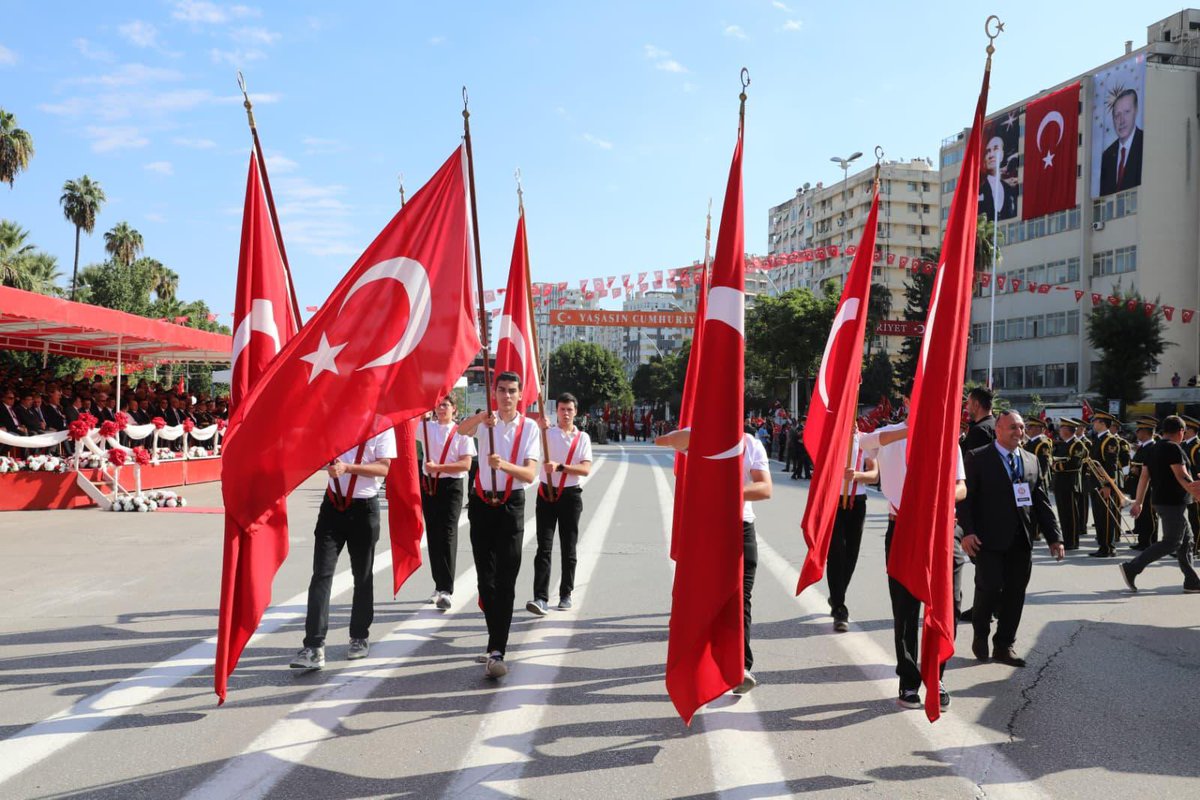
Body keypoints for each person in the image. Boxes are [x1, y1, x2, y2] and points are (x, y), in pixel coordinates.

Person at [656, 426, 772, 694]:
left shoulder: (751, 444)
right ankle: (699, 664)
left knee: (741, 597)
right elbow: (663, 441)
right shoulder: (701, 435)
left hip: (740, 527)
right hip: (706, 529)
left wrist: (730, 493)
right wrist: (700, 430)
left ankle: (740, 667)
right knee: (703, 599)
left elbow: (765, 488)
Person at [860, 417, 966, 710]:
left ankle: (937, 675)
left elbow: (961, 487)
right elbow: (861, 441)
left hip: (939, 530)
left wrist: (940, 496)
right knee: (905, 610)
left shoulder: (947, 438)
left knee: (946, 605)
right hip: (903, 528)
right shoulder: (890, 436)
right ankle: (908, 681)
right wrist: (911, 429)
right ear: (908, 401)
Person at [960, 411, 1064, 668]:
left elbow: (1040, 502)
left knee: (1015, 593)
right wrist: (968, 532)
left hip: (1021, 540)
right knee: (990, 587)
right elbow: (966, 500)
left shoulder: (1031, 460)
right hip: (987, 539)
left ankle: (1004, 645)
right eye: (1013, 428)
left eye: (1021, 427)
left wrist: (1055, 537)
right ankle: (981, 632)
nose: (1019, 432)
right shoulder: (977, 457)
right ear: (998, 429)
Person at [290, 426, 396, 671]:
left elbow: (384, 468)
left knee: (362, 575)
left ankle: (359, 636)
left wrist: (348, 468)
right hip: (332, 506)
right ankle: (314, 646)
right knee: (321, 574)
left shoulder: (382, 425)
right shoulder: (337, 418)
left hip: (364, 509)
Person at [458, 372, 541, 679]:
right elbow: (460, 431)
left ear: (520, 395)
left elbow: (530, 475)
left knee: (505, 580)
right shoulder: (485, 422)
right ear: (494, 392)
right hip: (481, 505)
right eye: (502, 390)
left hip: (510, 507)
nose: (506, 396)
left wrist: (501, 464)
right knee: (485, 581)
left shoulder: (529, 427)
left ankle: (497, 649)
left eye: (512, 391)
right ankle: (495, 641)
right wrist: (481, 417)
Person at [528, 392, 593, 615]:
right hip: (546, 495)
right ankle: (540, 597)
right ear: (557, 412)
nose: (565, 413)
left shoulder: (582, 437)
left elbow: (585, 468)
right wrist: (540, 427)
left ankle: (566, 593)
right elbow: (529, 440)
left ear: (576, 412)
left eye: (569, 410)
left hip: (570, 496)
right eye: (562, 409)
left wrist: (560, 467)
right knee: (543, 547)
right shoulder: (546, 434)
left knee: (568, 547)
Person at [1119, 415, 1200, 593]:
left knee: (1187, 540)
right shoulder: (1173, 448)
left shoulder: (1153, 449)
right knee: (1172, 542)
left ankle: (1192, 581)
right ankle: (1132, 567)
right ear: (1180, 431)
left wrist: (1139, 502)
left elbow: (1144, 477)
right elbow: (1181, 474)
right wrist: (1196, 492)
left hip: (1161, 501)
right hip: (1173, 502)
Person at [419, 395, 476, 610]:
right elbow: (405, 426)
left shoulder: (461, 431)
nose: (441, 408)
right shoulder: (427, 428)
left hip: (451, 486)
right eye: (438, 405)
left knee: (448, 533)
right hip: (430, 485)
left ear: (454, 408)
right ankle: (438, 584)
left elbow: (466, 464)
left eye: (446, 405)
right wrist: (420, 415)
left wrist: (439, 467)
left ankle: (447, 589)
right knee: (433, 534)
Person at [826, 430, 875, 632]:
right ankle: (839, 607)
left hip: (858, 502)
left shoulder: (866, 440)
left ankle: (837, 595)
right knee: (836, 552)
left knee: (851, 554)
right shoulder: (832, 436)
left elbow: (874, 475)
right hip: (834, 502)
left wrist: (857, 475)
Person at [1087, 412, 1127, 558]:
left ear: (1103, 423)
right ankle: (1103, 545)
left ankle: (1109, 547)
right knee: (1098, 516)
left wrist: (1107, 485)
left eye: (1095, 421)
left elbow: (1111, 465)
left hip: (1103, 484)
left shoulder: (1110, 440)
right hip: (1095, 482)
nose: (1093, 423)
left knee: (1105, 516)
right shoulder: (1098, 439)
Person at [1051, 418, 1088, 550]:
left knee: (1071, 514)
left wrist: (1056, 466)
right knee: (1063, 514)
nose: (1059, 431)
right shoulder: (1063, 444)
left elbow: (1075, 464)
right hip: (1060, 483)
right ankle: (1067, 539)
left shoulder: (1077, 444)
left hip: (1070, 484)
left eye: (1061, 428)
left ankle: (1072, 541)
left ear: (1067, 430)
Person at [1099, 88, 1143, 196]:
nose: (1121, 120)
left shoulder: (1144, 143)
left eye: (1127, 112)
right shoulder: (1107, 156)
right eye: (1117, 115)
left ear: (1136, 111)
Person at [1127, 418, 1159, 551]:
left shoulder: (1153, 447)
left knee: (1149, 515)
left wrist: (1138, 470)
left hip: (1149, 487)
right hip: (1139, 485)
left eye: (1139, 430)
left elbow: (1154, 468)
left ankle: (1150, 541)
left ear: (1146, 432)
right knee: (1143, 515)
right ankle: (1143, 540)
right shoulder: (1144, 446)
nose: (1137, 433)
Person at [979, 135, 1018, 221]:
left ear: (1002, 154)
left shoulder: (1009, 190)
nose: (991, 155)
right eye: (988, 151)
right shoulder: (978, 190)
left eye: (995, 149)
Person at [962, 386, 997, 451]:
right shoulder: (999, 425)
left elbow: (970, 459)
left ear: (976, 405)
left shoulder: (978, 430)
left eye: (968, 403)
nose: (966, 407)